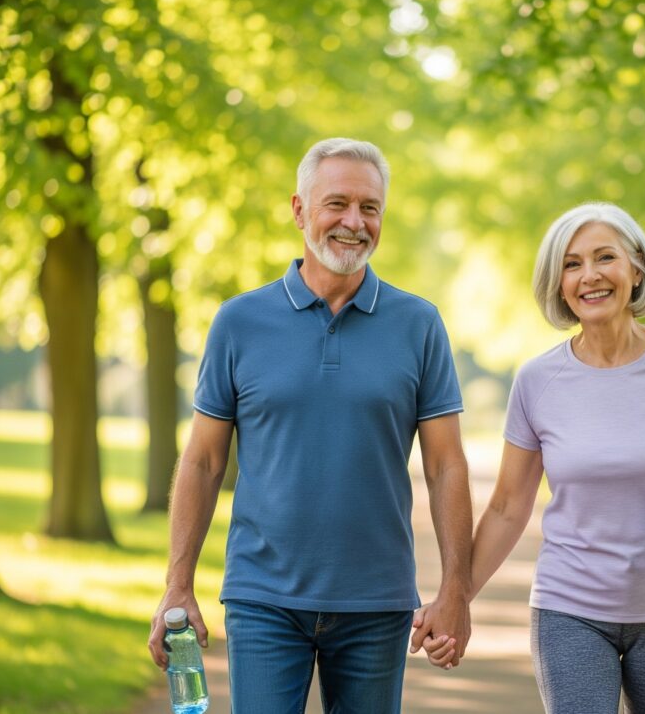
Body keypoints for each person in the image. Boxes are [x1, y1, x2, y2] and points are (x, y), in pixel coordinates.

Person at [414, 201, 645, 713]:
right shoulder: (538, 382)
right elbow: (506, 507)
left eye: (604, 257)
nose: (590, 276)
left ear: (636, 268)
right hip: (570, 610)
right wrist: (456, 600)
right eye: (571, 264)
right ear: (559, 284)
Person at [149, 138, 473, 713]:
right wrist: (178, 584)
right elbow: (202, 460)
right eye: (337, 204)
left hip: (377, 601)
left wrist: (455, 591)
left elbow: (446, 464)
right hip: (262, 597)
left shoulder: (419, 325)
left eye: (369, 208)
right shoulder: (239, 322)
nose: (354, 222)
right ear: (300, 210)